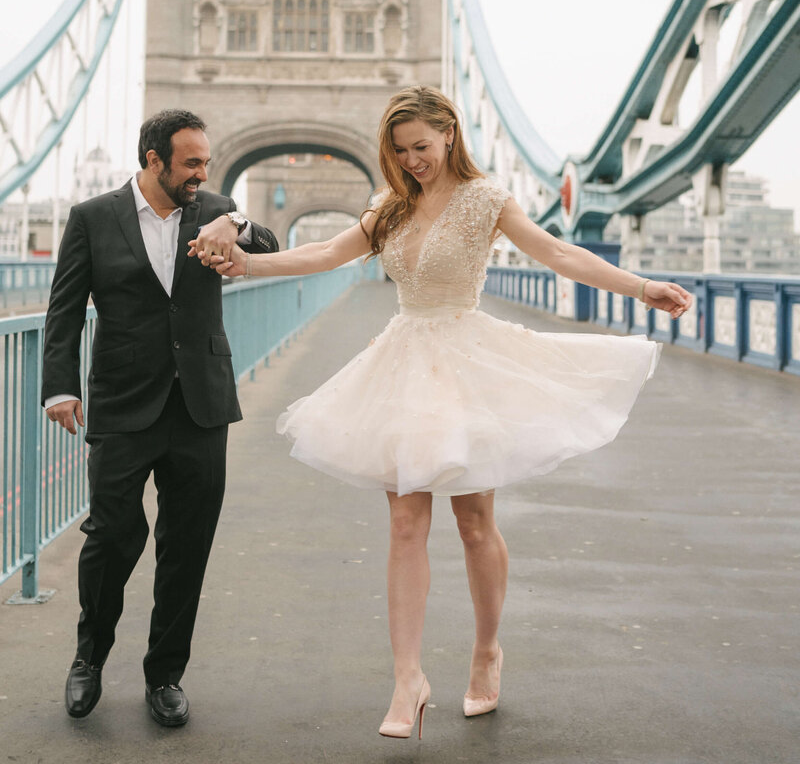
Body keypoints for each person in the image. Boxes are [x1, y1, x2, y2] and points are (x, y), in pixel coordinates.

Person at [194, 86, 692, 741]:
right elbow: (323, 254)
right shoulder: (390, 206)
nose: (412, 160)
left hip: (465, 363)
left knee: (475, 522)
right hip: (403, 361)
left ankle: (487, 650)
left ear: (450, 135)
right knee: (405, 522)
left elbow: (558, 254)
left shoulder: (487, 200)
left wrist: (639, 286)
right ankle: (408, 679)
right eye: (400, 151)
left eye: (421, 147)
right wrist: (245, 265)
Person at [42, 109, 278, 727]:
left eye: (207, 162)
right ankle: (88, 658)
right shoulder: (93, 218)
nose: (203, 174)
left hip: (200, 406)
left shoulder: (217, 208)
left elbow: (271, 246)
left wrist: (238, 220)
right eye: (192, 163)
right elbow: (64, 310)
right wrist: (59, 388)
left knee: (187, 546)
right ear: (154, 161)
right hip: (122, 404)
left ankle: (165, 675)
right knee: (112, 537)